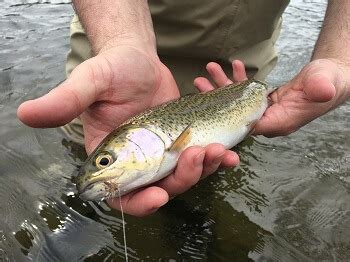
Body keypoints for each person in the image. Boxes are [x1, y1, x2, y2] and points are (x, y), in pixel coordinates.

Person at [17, 1, 350, 217]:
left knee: (211, 173)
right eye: (106, 161)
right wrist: (123, 41)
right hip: (116, 68)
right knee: (84, 157)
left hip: (243, 69)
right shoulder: (121, 125)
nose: (105, 165)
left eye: (106, 161)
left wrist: (339, 60)